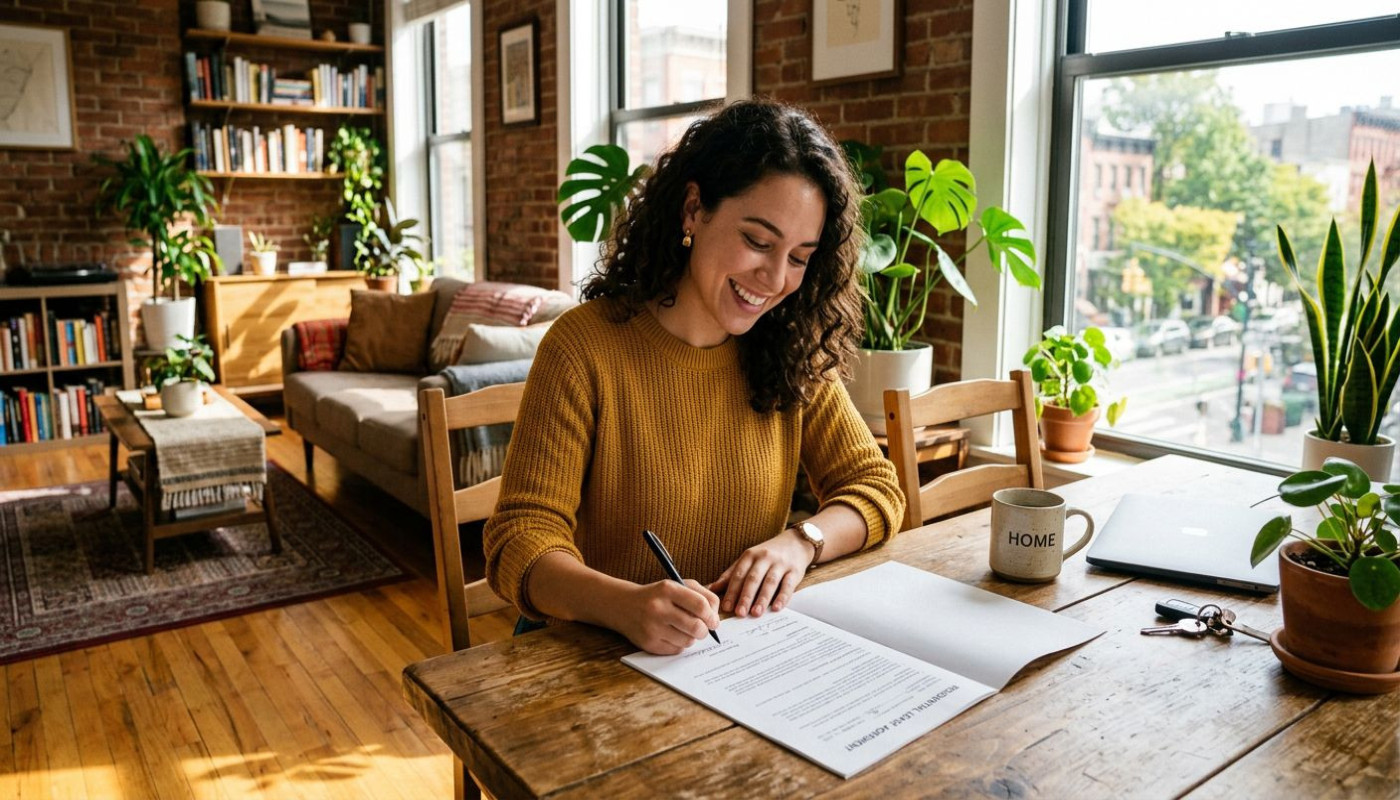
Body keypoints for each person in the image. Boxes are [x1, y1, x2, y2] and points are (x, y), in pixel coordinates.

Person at [483, 98, 905, 655]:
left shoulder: (789, 347)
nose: (776, 279)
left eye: (800, 257)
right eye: (757, 241)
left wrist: (802, 542)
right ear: (693, 210)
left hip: (730, 656)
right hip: (592, 658)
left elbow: (876, 488)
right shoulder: (585, 347)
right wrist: (625, 606)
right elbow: (520, 537)